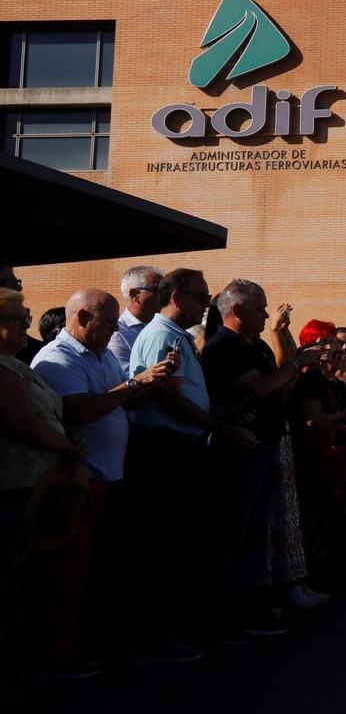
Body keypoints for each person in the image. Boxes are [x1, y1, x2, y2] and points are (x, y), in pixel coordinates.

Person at [31, 289, 172, 674]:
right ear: (82, 319)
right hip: (78, 483)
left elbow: (123, 401)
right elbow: (82, 410)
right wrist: (135, 384)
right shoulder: (58, 358)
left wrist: (152, 382)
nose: (115, 329)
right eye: (109, 321)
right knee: (69, 571)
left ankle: (90, 642)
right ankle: (59, 655)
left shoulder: (103, 353)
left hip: (108, 477)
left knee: (98, 569)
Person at [126, 269, 256, 663]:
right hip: (164, 448)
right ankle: (156, 638)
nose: (206, 305)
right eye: (201, 297)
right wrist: (222, 427)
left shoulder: (176, 336)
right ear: (177, 297)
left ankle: (172, 630)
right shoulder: (163, 336)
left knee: (178, 541)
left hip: (179, 446)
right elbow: (171, 400)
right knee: (164, 544)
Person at [201, 281, 325, 637]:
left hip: (265, 444)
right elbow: (260, 387)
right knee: (233, 534)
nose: (266, 315)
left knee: (256, 535)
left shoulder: (255, 346)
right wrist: (297, 362)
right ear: (237, 310)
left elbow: (280, 386)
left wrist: (291, 361)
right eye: (260, 309)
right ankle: (225, 617)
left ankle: (248, 608)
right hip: (241, 450)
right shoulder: (224, 346)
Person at [0, 287, 87, 696]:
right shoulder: (2, 370)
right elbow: (23, 423)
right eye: (17, 319)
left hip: (37, 487)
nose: (25, 325)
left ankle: (15, 669)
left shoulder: (15, 365)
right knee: (8, 587)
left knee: (23, 587)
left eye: (26, 316)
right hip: (12, 491)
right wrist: (66, 447)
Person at [291, 321, 346, 592]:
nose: (338, 349)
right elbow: (313, 419)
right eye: (329, 343)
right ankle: (315, 578)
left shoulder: (338, 384)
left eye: (337, 344)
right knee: (318, 521)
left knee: (342, 517)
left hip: (338, 459)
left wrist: (344, 420)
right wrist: (342, 418)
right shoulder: (312, 378)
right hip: (318, 460)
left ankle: (333, 575)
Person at [108, 266, 163, 373]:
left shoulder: (163, 327)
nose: (165, 296)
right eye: (158, 290)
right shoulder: (117, 333)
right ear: (135, 295)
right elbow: (126, 377)